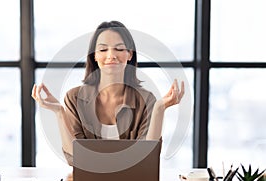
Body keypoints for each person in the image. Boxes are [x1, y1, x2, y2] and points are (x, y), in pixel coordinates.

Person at [31, 21, 184, 166]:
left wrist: (159, 109)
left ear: (129, 54)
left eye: (119, 49)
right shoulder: (74, 98)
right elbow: (75, 158)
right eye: (103, 50)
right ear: (94, 56)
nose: (111, 55)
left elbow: (146, 159)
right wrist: (59, 112)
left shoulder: (146, 100)